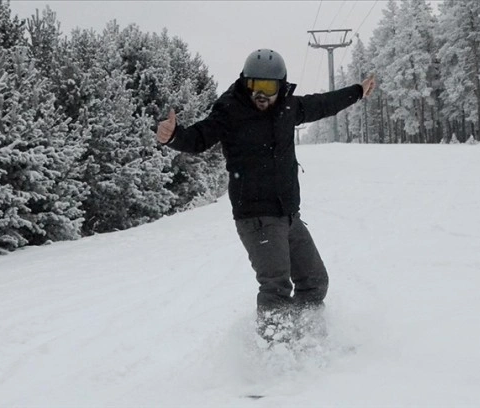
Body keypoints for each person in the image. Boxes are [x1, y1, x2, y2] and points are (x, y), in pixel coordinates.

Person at [156, 48, 376, 344]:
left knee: (314, 282)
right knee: (276, 287)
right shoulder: (230, 110)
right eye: (254, 86)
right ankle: (273, 357)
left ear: (281, 86)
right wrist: (173, 136)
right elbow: (199, 137)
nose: (260, 94)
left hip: (287, 214)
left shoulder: (289, 108)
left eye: (268, 87)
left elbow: (322, 104)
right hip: (256, 217)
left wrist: (357, 91)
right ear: (245, 84)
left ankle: (306, 338)